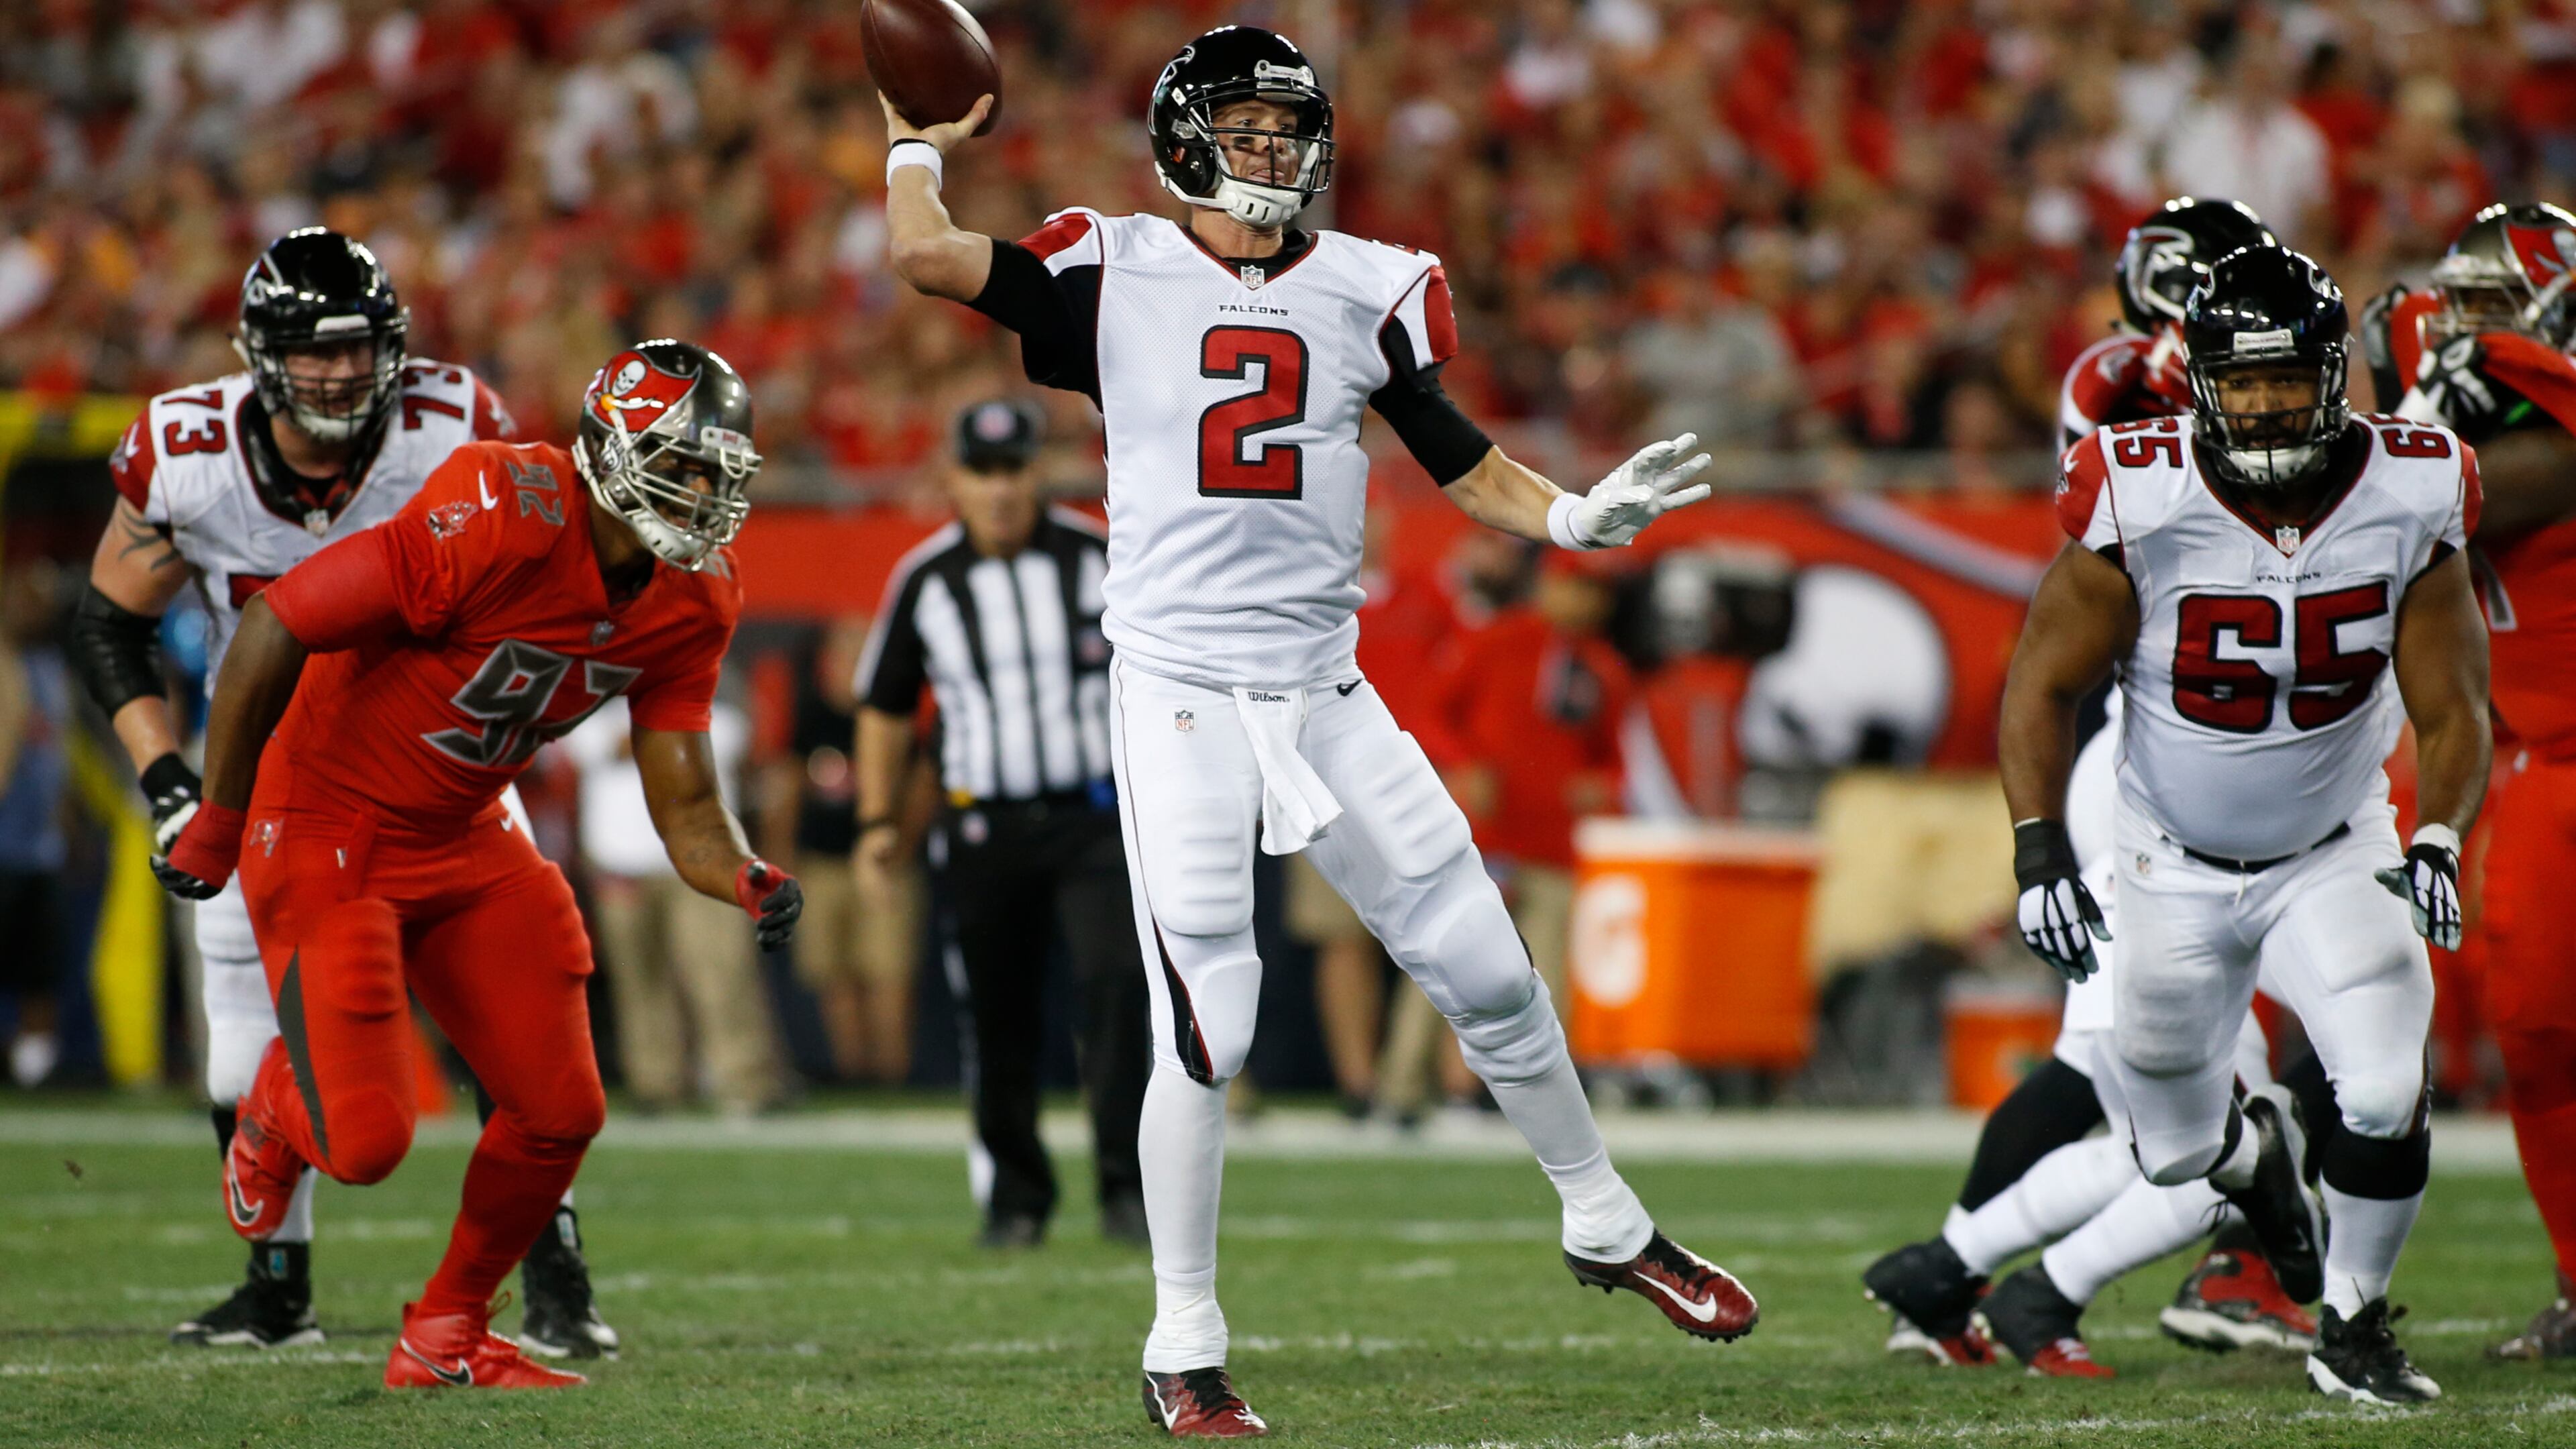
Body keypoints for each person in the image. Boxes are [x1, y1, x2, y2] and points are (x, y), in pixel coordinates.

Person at [883, 26, 1750, 1436]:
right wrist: (916, 143)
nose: (1273, 150)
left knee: (1486, 962)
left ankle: (1607, 1221)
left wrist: (1578, 515)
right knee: (1211, 1016)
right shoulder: (1112, 266)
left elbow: (1461, 461)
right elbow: (927, 257)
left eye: (1289, 127)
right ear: (1181, 136)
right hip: (1175, 690)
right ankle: (1183, 1339)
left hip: (1326, 687)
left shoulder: (1374, 285)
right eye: (1245, 124)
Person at [152, 339, 802, 1391]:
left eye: (715, 469)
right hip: (328, 817)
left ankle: (444, 1332)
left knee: (560, 1110)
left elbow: (684, 800)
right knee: (363, 1144)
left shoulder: (693, 598)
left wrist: (743, 874)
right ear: (609, 448)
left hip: (461, 825)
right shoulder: (506, 507)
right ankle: (276, 1111)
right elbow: (278, 621)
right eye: (681, 463)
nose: (702, 490)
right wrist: (220, 819)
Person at [66, 228, 614, 1358]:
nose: (336, 375)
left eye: (358, 351)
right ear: (253, 354)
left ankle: (553, 1276)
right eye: (310, 355)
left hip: (442, 772)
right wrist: (169, 779)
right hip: (262, 781)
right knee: (241, 1042)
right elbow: (109, 619)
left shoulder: (456, 426)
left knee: (507, 1036)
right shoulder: (186, 447)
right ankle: (278, 1294)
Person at [2000, 246, 2489, 1404]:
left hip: (2334, 850)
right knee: (2171, 1151)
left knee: (2378, 1088)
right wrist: (2037, 854)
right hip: (2165, 864)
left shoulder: (2415, 485)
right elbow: (2038, 684)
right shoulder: (2136, 487)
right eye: (2243, 378)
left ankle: (2355, 1324)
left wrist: (2439, 836)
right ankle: (2255, 1155)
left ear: (2332, 376)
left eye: (2287, 377)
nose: (2267, 402)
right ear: (2202, 383)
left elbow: (2454, 704)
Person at [1865, 199, 2317, 1375]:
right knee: (2213, 1114)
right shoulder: (2120, 383)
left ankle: (1952, 1281)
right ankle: (2050, 1287)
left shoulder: (2267, 401)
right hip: (2153, 766)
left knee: (2106, 1075)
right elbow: (2109, 476)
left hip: (2212, 764)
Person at [854, 397, 1150, 1248]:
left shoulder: (1102, 558)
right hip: (982, 828)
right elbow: (882, 707)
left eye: (1012, 468)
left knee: (1116, 998)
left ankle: (1128, 1191)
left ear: (1038, 471)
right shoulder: (926, 577)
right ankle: (1018, 1198)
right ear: (953, 479)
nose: (999, 489)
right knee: (996, 1015)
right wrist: (880, 821)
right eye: (981, 472)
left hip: (1095, 821)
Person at [2367, 201, 2576, 1361]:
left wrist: (2413, 411)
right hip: (2541, 763)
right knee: (2538, 1031)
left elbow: (2445, 492)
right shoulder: (2465, 422)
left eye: (2496, 308)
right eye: (2462, 306)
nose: (2466, 329)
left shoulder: (2548, 439)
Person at [1379, 556, 1629, 1125]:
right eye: (1576, 585)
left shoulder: (1602, 667)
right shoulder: (1494, 643)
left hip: (1552, 844)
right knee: (1444, 964)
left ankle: (1536, 1101)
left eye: (1597, 590)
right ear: (1547, 583)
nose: (1585, 601)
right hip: (1481, 838)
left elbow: (1613, 758)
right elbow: (1429, 714)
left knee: (1548, 982)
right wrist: (1465, 766)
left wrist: (1604, 785)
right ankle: (1400, 1089)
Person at [566, 695, 782, 1114]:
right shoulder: (592, 686)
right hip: (620, 860)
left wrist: (640, 742)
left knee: (722, 970)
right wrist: (659, 741)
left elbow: (727, 737)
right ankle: (656, 1083)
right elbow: (580, 745)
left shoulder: (700, 671)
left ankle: (746, 1081)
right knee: (639, 980)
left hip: (701, 859)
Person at [764, 615, 925, 1085]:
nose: (848, 666)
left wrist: (905, 845)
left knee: (889, 975)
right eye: (841, 656)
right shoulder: (811, 715)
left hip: (882, 865)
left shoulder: (891, 713)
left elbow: (919, 788)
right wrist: (781, 857)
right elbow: (788, 790)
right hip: (822, 861)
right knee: (834, 976)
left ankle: (893, 1078)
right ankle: (853, 1076)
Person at [0, 560, 70, 1089]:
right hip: (5, 843)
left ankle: (34, 1072)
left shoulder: (50, 667)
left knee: (41, 972)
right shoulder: (6, 666)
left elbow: (57, 757)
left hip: (41, 847)